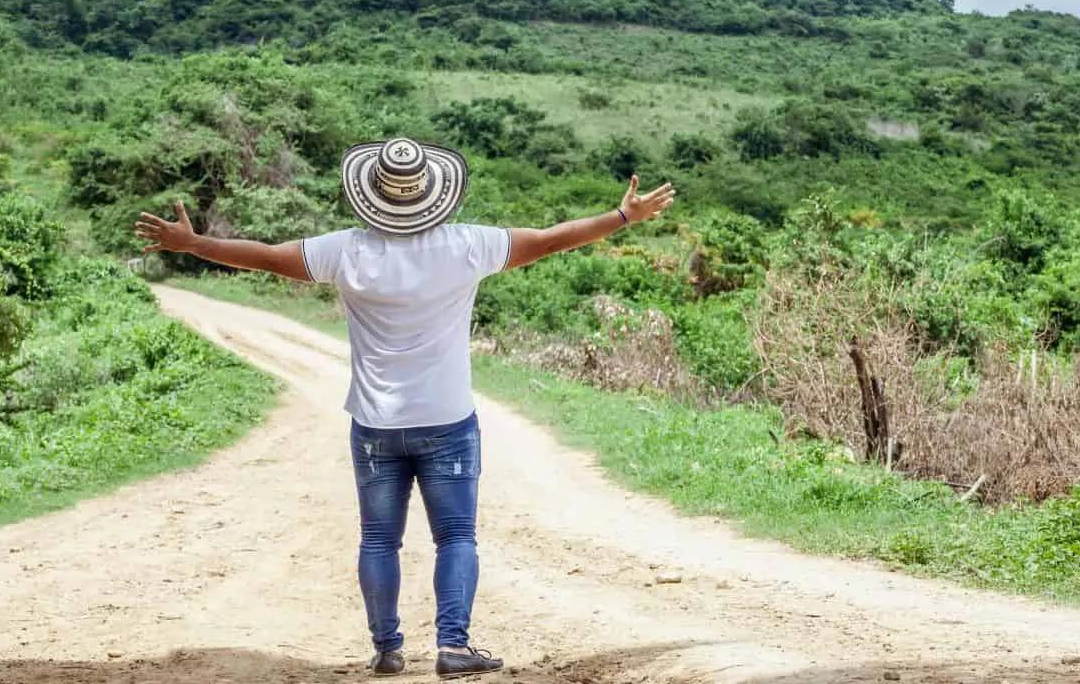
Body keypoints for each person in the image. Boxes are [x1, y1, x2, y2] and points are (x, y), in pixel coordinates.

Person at [135, 137, 675, 678]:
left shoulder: (345, 250)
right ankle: (453, 645)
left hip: (375, 425)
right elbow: (553, 239)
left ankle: (388, 649)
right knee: (456, 536)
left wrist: (195, 243)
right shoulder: (468, 246)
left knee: (378, 539)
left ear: (371, 193)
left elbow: (265, 257)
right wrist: (623, 216)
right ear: (434, 193)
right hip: (447, 419)